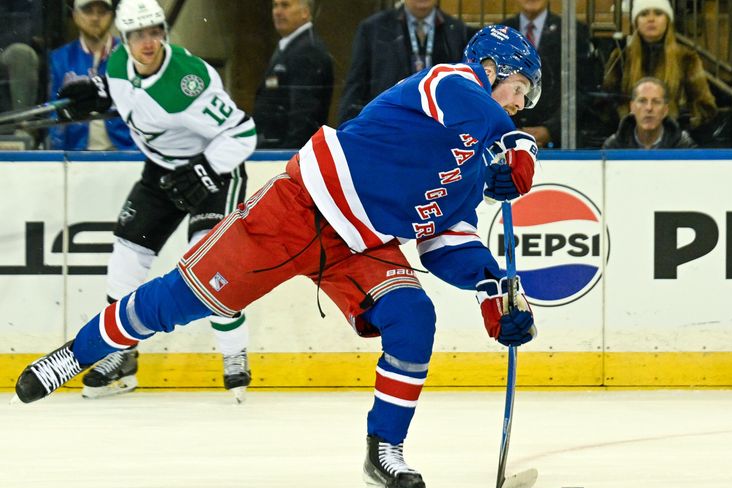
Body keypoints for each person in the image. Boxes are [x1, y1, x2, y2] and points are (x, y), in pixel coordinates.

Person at [15, 24, 541, 488]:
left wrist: (492, 286)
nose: (519, 104)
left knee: (413, 317)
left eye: (526, 100)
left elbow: (448, 241)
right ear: (489, 68)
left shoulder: (478, 166)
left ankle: (385, 454)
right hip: (298, 209)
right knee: (179, 300)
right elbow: (471, 109)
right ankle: (78, 353)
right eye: (518, 88)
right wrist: (518, 143)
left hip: (360, 246)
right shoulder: (449, 82)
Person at [52, 0, 255, 402]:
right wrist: (99, 93)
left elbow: (243, 132)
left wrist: (204, 170)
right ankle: (121, 353)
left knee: (209, 263)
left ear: (163, 32)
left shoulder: (189, 81)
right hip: (162, 170)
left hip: (215, 171)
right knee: (125, 259)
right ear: (124, 39)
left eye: (154, 32)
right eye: (138, 35)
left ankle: (235, 353)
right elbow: (128, 95)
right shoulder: (117, 65)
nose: (148, 42)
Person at [336, 0, 472, 124]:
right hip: (387, 126)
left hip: (440, 128)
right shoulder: (373, 29)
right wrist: (347, 130)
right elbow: (355, 85)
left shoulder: (457, 30)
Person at [602, 0, 717, 135]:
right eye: (644, 14)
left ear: (667, 20)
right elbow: (605, 104)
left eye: (658, 13)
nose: (651, 19)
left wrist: (680, 123)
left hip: (674, 141)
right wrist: (627, 120)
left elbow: (705, 107)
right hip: (630, 140)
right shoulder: (621, 58)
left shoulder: (686, 59)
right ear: (636, 22)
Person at [500, 0, 599, 148]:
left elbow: (583, 89)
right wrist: (508, 130)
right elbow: (493, 87)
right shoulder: (500, 32)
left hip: (560, 143)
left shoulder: (573, 31)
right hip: (507, 140)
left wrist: (551, 130)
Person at [49, 0, 136, 150]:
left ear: (112, 16)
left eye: (102, 12)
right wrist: (57, 154)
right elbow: (52, 114)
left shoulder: (130, 55)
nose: (95, 18)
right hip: (75, 155)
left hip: (125, 152)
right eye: (88, 11)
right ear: (75, 16)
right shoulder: (59, 58)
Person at [252, 0, 333, 149]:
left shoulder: (308, 50)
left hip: (287, 152)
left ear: (305, 12)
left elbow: (304, 114)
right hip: (272, 148)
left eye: (285, 5)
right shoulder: (289, 46)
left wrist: (290, 154)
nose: (277, 12)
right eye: (275, 6)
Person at [602, 76, 696, 148]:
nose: (649, 108)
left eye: (656, 102)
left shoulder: (683, 146)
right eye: (642, 101)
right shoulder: (614, 147)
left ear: (665, 110)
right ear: (632, 107)